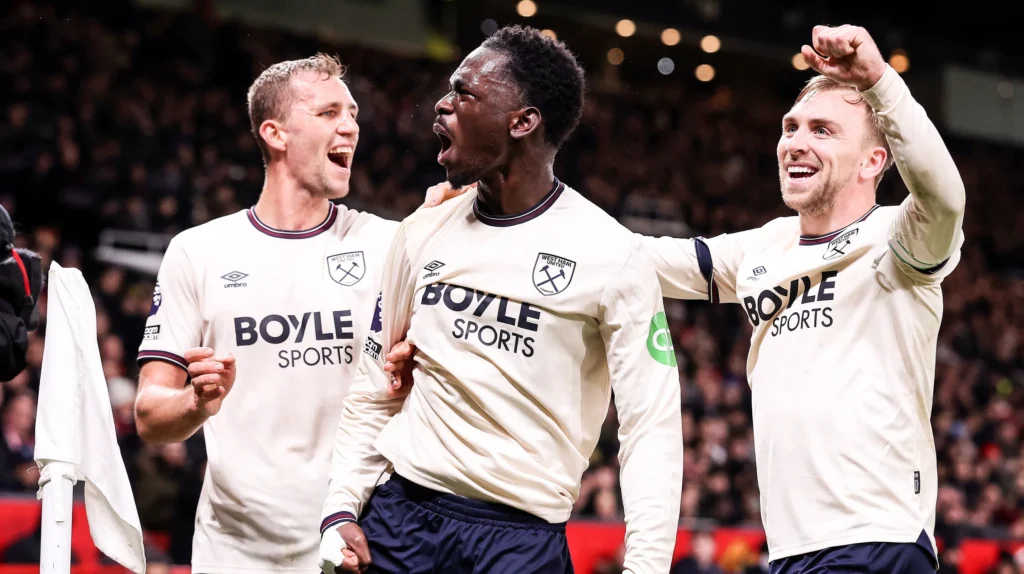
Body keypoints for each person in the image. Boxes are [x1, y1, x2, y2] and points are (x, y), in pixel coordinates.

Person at [422, 24, 965, 573]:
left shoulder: (898, 241)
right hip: (793, 550)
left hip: (879, 539)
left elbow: (944, 196)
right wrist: (500, 203)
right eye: (791, 127)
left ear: (873, 161)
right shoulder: (764, 249)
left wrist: (878, 81)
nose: (796, 143)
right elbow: (624, 257)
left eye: (823, 131)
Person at [318, 26, 683, 574]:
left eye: (464, 93)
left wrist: (646, 568)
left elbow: (650, 429)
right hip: (401, 519)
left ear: (522, 122)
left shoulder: (612, 254)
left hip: (521, 542)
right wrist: (342, 505)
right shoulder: (422, 230)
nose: (442, 105)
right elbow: (374, 390)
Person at [134, 54, 419, 573]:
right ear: (275, 133)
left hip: (355, 538)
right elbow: (150, 415)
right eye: (329, 112)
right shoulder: (198, 251)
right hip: (235, 549)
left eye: (352, 113)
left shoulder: (389, 245)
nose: (350, 126)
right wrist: (197, 402)